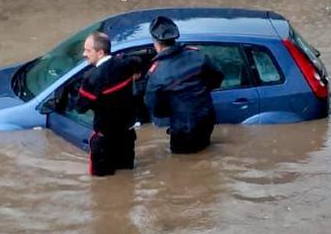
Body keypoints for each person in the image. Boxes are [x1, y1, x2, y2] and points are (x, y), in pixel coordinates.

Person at [144, 16, 224, 154]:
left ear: (156, 43)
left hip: (182, 128)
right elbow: (218, 75)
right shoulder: (198, 56)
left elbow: (154, 107)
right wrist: (204, 90)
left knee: (182, 166)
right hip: (206, 119)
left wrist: (170, 110)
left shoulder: (156, 73)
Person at [72, 31, 142, 177]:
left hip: (104, 143)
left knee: (100, 186)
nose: (84, 54)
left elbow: (80, 108)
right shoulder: (125, 63)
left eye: (88, 50)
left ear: (100, 52)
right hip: (127, 137)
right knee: (127, 180)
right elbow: (138, 62)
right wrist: (136, 75)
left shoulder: (91, 78)